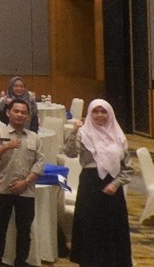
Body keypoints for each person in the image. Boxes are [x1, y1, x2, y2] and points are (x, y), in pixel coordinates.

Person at [65, 99, 133, 267]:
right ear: (90, 113)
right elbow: (70, 153)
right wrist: (74, 131)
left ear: (110, 114)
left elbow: (128, 168)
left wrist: (116, 184)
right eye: (95, 111)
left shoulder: (118, 136)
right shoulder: (83, 133)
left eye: (103, 112)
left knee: (112, 226)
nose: (99, 115)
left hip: (113, 185)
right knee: (90, 225)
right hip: (90, 184)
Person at [0, 98, 44, 267]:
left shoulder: (35, 138)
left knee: (24, 230)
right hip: (2, 189)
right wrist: (6, 146)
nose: (19, 115)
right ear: (8, 113)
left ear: (28, 116)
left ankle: (21, 261)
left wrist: (25, 182)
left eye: (23, 112)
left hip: (26, 191)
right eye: (16, 111)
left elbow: (39, 163)